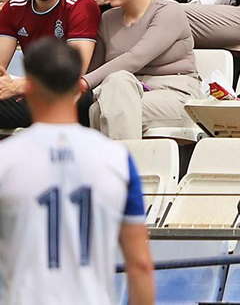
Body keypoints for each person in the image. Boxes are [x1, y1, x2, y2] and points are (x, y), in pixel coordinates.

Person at [0, 38, 155, 305]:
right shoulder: (117, 159)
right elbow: (140, 263)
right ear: (78, 88)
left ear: (28, 88)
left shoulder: (6, 158)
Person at [84, 0, 204, 140]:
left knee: (107, 109)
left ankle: (122, 158)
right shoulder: (108, 19)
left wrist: (83, 83)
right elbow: (96, 67)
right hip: (123, 92)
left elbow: (136, 57)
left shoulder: (168, 11)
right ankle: (126, 157)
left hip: (174, 93)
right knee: (110, 94)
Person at [0, 0, 101, 130]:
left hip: (72, 92)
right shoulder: (14, 6)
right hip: (33, 91)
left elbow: (72, 73)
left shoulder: (80, 4)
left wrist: (21, 85)